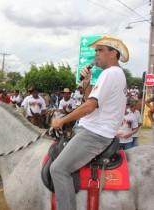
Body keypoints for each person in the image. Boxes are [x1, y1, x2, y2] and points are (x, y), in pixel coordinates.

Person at [50, 35, 129, 210]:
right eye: (95, 51)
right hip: (92, 129)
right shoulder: (114, 74)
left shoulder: (110, 73)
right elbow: (89, 100)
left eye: (100, 50)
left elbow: (90, 106)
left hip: (94, 134)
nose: (96, 55)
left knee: (58, 169)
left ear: (113, 53)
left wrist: (61, 121)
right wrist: (86, 81)